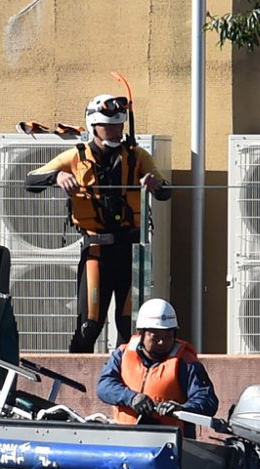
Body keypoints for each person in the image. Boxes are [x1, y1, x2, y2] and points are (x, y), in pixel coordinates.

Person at [24, 93, 171, 353]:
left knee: (130, 327)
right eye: (109, 125)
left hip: (130, 251)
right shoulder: (75, 156)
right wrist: (57, 176)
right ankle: (74, 386)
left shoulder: (137, 156)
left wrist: (155, 184)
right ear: (93, 125)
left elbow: (165, 190)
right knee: (89, 325)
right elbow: (31, 180)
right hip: (96, 252)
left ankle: (125, 385)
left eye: (119, 125)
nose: (116, 131)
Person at [96, 298, 218, 438]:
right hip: (124, 441)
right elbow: (104, 386)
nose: (162, 342)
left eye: (168, 336)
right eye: (155, 336)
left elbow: (207, 399)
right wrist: (132, 398)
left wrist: (182, 409)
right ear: (141, 334)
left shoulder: (186, 363)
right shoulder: (122, 354)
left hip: (170, 445)